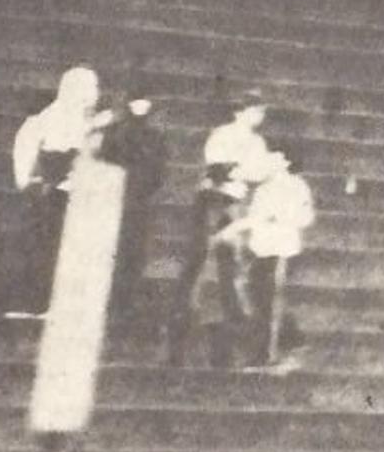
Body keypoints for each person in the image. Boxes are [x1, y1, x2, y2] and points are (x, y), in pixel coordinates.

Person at [167, 94, 275, 365]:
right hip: (214, 202)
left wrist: (245, 173)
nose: (257, 116)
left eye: (260, 112)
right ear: (239, 111)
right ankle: (181, 338)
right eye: (253, 110)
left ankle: (224, 342)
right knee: (203, 262)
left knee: (231, 270)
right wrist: (238, 171)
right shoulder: (222, 134)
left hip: (237, 203)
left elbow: (260, 173)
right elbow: (217, 168)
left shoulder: (258, 142)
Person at [8, 66, 105, 319]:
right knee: (45, 251)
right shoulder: (49, 120)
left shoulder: (88, 124)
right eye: (89, 88)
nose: (94, 95)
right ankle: (36, 302)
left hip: (74, 197)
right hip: (51, 198)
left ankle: (65, 304)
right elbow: (30, 160)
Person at [229, 150, 316, 370]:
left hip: (281, 249)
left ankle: (266, 353)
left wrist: (281, 217)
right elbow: (254, 218)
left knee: (269, 301)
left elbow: (306, 217)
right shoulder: (263, 189)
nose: (268, 161)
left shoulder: (297, 186)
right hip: (262, 249)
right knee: (258, 298)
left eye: (274, 158)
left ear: (285, 161)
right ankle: (289, 339)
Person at [97, 90, 167, 340]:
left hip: (139, 205)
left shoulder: (156, 138)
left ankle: (124, 307)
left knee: (133, 256)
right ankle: (107, 304)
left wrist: (142, 188)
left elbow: (159, 173)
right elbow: (104, 163)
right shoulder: (116, 133)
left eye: (145, 100)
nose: (141, 105)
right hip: (113, 203)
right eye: (137, 100)